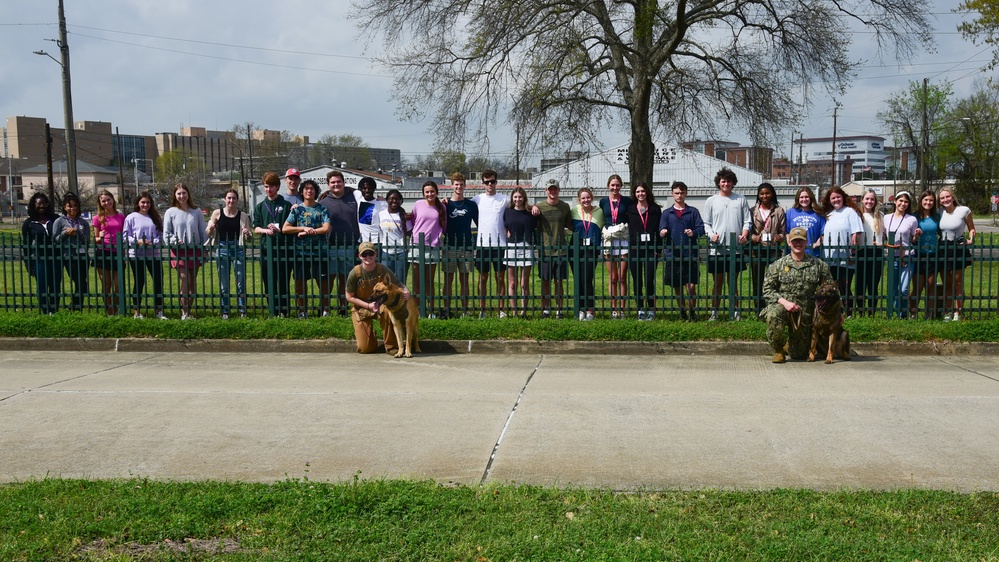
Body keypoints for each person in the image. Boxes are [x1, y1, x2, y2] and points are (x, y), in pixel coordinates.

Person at [761, 227, 835, 363]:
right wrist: (785, 302)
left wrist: (838, 313)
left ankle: (790, 345)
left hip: (805, 314)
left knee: (798, 355)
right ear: (789, 242)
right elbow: (767, 290)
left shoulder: (818, 265)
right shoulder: (778, 265)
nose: (798, 244)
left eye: (801, 241)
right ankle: (778, 350)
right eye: (795, 241)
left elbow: (832, 292)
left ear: (806, 242)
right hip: (784, 308)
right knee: (773, 314)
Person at [702, 167, 751, 321]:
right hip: (716, 250)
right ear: (719, 182)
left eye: (729, 181)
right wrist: (711, 235)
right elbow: (706, 223)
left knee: (733, 283)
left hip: (735, 249)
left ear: (733, 183)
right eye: (723, 181)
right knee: (718, 283)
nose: (726, 184)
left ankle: (735, 312)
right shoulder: (711, 201)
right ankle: (714, 312)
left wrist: (744, 233)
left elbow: (747, 221)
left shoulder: (741, 199)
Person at [345, 241, 407, 354]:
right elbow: (349, 297)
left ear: (376, 254)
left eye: (370, 254)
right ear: (359, 256)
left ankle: (391, 346)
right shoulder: (355, 273)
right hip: (361, 308)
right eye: (364, 254)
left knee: (389, 313)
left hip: (380, 305)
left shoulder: (382, 269)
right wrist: (368, 305)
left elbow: (398, 283)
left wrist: (406, 290)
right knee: (365, 349)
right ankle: (370, 337)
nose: (368, 257)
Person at [283, 179, 331, 318]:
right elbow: (285, 228)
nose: (309, 191)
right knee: (300, 283)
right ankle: (302, 310)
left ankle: (325, 310)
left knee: (323, 283)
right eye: (306, 189)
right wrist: (303, 228)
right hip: (300, 253)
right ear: (302, 191)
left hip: (319, 252)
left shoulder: (322, 209)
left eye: (312, 189)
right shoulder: (297, 209)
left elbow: (326, 228)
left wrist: (311, 232)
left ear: (315, 192)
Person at [659, 181, 704, 321]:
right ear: (672, 194)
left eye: (682, 193)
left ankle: (692, 310)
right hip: (673, 255)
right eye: (677, 193)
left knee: (690, 286)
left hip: (689, 254)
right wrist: (663, 232)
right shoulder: (667, 213)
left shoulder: (693, 211)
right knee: (677, 286)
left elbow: (701, 228)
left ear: (686, 193)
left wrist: (694, 232)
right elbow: (661, 229)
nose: (679, 195)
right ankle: (682, 311)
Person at [206, 188, 253, 319]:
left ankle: (242, 310)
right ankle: (225, 311)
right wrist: (210, 228)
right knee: (224, 283)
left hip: (238, 248)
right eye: (229, 198)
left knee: (240, 281)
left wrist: (248, 234)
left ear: (237, 200)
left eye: (233, 198)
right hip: (222, 248)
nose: (231, 200)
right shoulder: (217, 213)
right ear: (225, 199)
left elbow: (249, 237)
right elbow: (208, 232)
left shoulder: (243, 215)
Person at [163, 183, 207, 320]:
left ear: (188, 194)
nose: (182, 196)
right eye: (179, 193)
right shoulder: (170, 212)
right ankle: (184, 311)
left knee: (192, 282)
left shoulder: (196, 211)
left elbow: (202, 231)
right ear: (175, 196)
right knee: (185, 279)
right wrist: (174, 241)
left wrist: (204, 249)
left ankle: (189, 311)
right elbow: (166, 233)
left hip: (194, 251)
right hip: (179, 251)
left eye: (184, 193)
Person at [318, 171, 360, 315]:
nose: (336, 184)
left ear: (343, 182)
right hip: (330, 247)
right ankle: (325, 309)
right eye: (333, 182)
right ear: (328, 184)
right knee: (328, 279)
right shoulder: (322, 202)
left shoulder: (353, 198)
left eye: (338, 182)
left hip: (350, 246)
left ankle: (343, 307)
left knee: (345, 279)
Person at [252, 171, 293, 317]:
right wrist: (265, 230)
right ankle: (272, 310)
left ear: (277, 186)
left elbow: (291, 227)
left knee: (283, 281)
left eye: (271, 187)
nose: (268, 190)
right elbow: (256, 227)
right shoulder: (260, 206)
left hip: (283, 249)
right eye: (266, 187)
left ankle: (284, 310)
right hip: (265, 250)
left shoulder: (287, 205)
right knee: (268, 280)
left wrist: (280, 229)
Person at [820, 186, 864, 316]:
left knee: (844, 286)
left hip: (846, 257)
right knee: (832, 287)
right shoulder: (828, 214)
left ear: (843, 197)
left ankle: (849, 312)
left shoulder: (850, 212)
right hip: (829, 258)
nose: (836, 200)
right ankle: (835, 311)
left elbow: (857, 233)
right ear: (829, 200)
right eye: (833, 198)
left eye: (838, 197)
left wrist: (853, 252)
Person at [533, 179, 573, 319]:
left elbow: (570, 223)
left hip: (560, 250)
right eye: (550, 189)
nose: (552, 191)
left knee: (559, 281)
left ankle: (559, 310)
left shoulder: (565, 206)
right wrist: (532, 207)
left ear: (559, 190)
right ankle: (546, 309)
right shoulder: (539, 206)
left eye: (555, 189)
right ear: (546, 191)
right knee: (545, 281)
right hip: (545, 250)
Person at [472, 169, 509, 318]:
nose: (490, 184)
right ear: (483, 183)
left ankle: (501, 309)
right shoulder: (477, 199)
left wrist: (533, 207)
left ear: (496, 182)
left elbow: (521, 202)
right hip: (483, 245)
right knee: (482, 278)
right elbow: (461, 203)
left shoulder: (504, 199)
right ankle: (482, 309)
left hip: (500, 245)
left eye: (492, 181)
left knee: (500, 278)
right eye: (487, 182)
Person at [123, 191, 165, 319]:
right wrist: (137, 241)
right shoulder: (131, 217)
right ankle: (137, 311)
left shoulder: (155, 217)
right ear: (137, 203)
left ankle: (158, 310)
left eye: (148, 202)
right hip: (136, 255)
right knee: (139, 281)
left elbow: (161, 236)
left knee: (158, 281)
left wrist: (153, 242)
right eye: (143, 202)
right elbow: (125, 236)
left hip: (154, 254)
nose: (145, 205)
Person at [442, 173, 478, 318]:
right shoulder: (446, 204)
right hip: (449, 246)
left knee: (464, 279)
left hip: (467, 247)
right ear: (452, 185)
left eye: (461, 184)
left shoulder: (471, 205)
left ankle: (465, 310)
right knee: (448, 279)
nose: (459, 187)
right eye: (456, 184)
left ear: (465, 186)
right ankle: (446, 309)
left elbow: (480, 223)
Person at [936, 188, 975, 322]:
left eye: (947, 197)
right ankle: (947, 311)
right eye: (942, 198)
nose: (945, 200)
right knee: (947, 282)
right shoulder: (939, 213)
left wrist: (970, 239)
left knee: (957, 283)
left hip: (958, 248)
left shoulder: (964, 210)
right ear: (939, 201)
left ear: (953, 197)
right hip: (943, 248)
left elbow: (971, 228)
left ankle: (958, 313)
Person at [408, 180, 446, 317]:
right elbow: (413, 221)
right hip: (417, 245)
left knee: (429, 281)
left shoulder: (441, 207)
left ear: (436, 192)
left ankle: (430, 310)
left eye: (432, 191)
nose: (430, 194)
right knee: (417, 281)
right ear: (423, 193)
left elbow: (444, 224)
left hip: (433, 246)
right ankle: (417, 310)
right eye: (427, 192)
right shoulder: (418, 205)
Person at [626, 181, 662, 320]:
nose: (640, 194)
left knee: (649, 279)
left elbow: (659, 229)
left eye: (642, 191)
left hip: (650, 249)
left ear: (647, 192)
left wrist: (658, 249)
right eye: (637, 192)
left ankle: (651, 309)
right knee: (637, 280)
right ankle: (640, 308)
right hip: (635, 248)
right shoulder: (630, 209)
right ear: (635, 194)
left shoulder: (655, 209)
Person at [21, 192, 62, 314]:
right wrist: (28, 263)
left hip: (55, 257)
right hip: (39, 258)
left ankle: (54, 310)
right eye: (39, 204)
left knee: (55, 285)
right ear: (34, 205)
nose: (42, 206)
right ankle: (45, 310)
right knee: (42, 285)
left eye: (44, 203)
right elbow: (26, 245)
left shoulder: (55, 219)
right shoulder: (29, 223)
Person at [749, 183, 786, 313]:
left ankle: (774, 306)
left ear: (772, 194)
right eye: (762, 193)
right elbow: (747, 231)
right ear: (758, 195)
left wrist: (780, 237)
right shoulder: (752, 211)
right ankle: (758, 308)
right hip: (757, 250)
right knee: (757, 280)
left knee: (774, 280)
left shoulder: (779, 211)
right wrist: (754, 238)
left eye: (767, 193)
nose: (765, 196)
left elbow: (783, 230)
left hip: (773, 250)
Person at [882, 191, 919, 318]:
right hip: (893, 257)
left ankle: (903, 313)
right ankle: (894, 312)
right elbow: (884, 236)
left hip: (908, 257)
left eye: (906, 202)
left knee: (903, 289)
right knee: (893, 288)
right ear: (895, 201)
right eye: (901, 201)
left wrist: (917, 235)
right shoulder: (887, 218)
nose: (903, 204)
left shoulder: (912, 219)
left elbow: (913, 239)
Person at [599, 174, 631, 318]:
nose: (615, 188)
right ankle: (613, 309)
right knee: (613, 277)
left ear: (621, 186)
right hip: (608, 240)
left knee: (622, 277)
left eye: (617, 185)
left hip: (622, 238)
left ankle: (623, 309)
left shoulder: (627, 201)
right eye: (612, 185)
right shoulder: (603, 202)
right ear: (608, 186)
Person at [53, 192, 90, 311]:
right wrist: (66, 233)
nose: (72, 208)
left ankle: (76, 307)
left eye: (75, 206)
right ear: (65, 207)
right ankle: (74, 307)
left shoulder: (83, 222)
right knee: (79, 283)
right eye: (69, 206)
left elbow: (87, 241)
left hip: (83, 255)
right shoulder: (59, 221)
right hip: (69, 256)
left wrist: (78, 232)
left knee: (83, 283)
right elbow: (55, 240)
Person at [570, 188, 604, 321]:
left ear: (592, 198)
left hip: (592, 249)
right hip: (576, 248)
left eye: (588, 197)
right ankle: (580, 308)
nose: (586, 200)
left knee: (587, 279)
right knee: (578, 279)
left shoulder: (599, 212)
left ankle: (590, 309)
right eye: (583, 198)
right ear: (579, 200)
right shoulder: (573, 211)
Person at [91, 189, 125, 315]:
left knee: (118, 284)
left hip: (118, 252)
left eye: (108, 199)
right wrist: (99, 236)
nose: (106, 202)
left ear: (113, 200)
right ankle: (109, 309)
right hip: (103, 252)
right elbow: (96, 240)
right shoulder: (97, 218)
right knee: (106, 284)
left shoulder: (121, 217)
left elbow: (125, 235)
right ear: (100, 203)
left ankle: (117, 308)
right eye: (103, 201)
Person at [504, 187, 536, 318]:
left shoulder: (530, 212)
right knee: (512, 282)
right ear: (512, 198)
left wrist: (535, 207)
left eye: (520, 197)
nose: (518, 199)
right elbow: (505, 225)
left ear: (524, 198)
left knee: (524, 282)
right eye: (515, 197)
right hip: (512, 246)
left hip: (526, 246)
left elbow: (538, 224)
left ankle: (523, 311)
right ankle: (514, 311)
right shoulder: (507, 211)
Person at [855, 189, 886, 317]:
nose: (869, 201)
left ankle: (871, 312)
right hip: (861, 251)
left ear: (875, 201)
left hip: (877, 252)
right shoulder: (857, 215)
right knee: (860, 284)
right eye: (867, 199)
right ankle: (861, 311)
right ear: (862, 200)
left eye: (872, 199)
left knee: (873, 284)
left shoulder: (881, 216)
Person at [911, 190, 940, 319]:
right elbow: (911, 238)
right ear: (921, 201)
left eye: (931, 200)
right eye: (926, 200)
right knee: (918, 287)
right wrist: (915, 235)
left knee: (930, 287)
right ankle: (913, 313)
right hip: (919, 255)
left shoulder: (937, 217)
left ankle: (929, 314)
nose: (928, 202)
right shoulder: (915, 217)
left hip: (933, 255)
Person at [376, 189, 409, 285]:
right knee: (385, 282)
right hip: (386, 251)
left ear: (400, 201)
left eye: (397, 199)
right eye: (391, 198)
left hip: (401, 252)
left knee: (400, 282)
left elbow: (410, 232)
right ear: (387, 200)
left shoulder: (404, 215)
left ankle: (401, 300)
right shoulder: (381, 214)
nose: (394, 201)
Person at [785, 187, 825, 258]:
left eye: (807, 197)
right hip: (794, 253)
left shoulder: (818, 213)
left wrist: (817, 243)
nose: (804, 199)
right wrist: (789, 243)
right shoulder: (790, 212)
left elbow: (823, 233)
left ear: (811, 198)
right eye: (801, 197)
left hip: (813, 253)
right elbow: (787, 232)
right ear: (798, 199)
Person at [356, 177, 386, 245]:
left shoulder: (382, 203)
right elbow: (348, 189)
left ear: (374, 189)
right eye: (364, 188)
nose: (367, 190)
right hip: (362, 241)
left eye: (370, 188)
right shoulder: (358, 198)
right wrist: (327, 192)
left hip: (377, 241)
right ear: (360, 189)